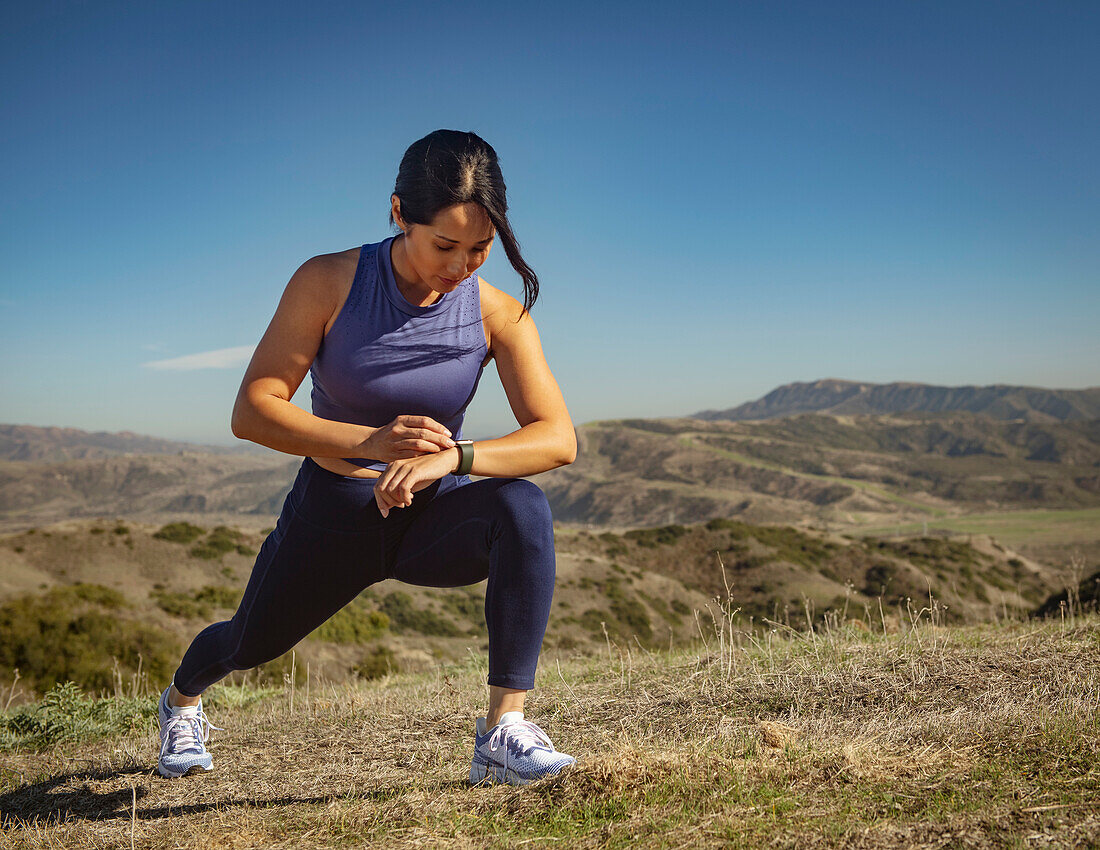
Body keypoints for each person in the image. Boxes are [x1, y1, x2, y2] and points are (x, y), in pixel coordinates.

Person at [155, 129, 578, 786]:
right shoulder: (329, 281)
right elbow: (254, 408)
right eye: (444, 245)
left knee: (522, 505)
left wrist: (454, 458)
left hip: (430, 513)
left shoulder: (498, 313)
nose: (461, 265)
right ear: (398, 213)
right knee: (248, 643)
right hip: (337, 513)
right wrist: (367, 444)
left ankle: (502, 732)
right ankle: (182, 702)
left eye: (480, 249)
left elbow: (557, 438)